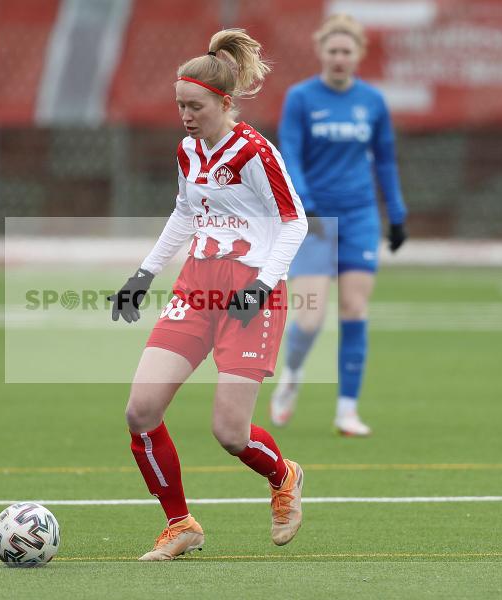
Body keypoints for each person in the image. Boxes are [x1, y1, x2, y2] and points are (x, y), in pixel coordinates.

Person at [108, 29, 309, 561]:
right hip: (197, 288)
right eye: (180, 106)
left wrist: (263, 284)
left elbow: (295, 223)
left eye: (195, 106)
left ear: (224, 102)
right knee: (140, 410)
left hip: (251, 293)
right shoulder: (188, 150)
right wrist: (144, 273)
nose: (186, 115)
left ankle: (283, 475)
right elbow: (184, 212)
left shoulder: (255, 153)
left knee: (230, 431)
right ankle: (180, 525)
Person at [269, 14, 408, 436]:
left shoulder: (373, 102)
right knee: (309, 317)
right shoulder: (301, 98)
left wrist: (397, 215)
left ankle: (347, 410)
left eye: (347, 51)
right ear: (321, 53)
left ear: (359, 55)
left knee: (354, 309)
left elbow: (384, 159)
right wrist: (305, 205)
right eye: (333, 51)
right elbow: (288, 151)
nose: (340, 58)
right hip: (314, 219)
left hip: (360, 216)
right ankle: (292, 373)